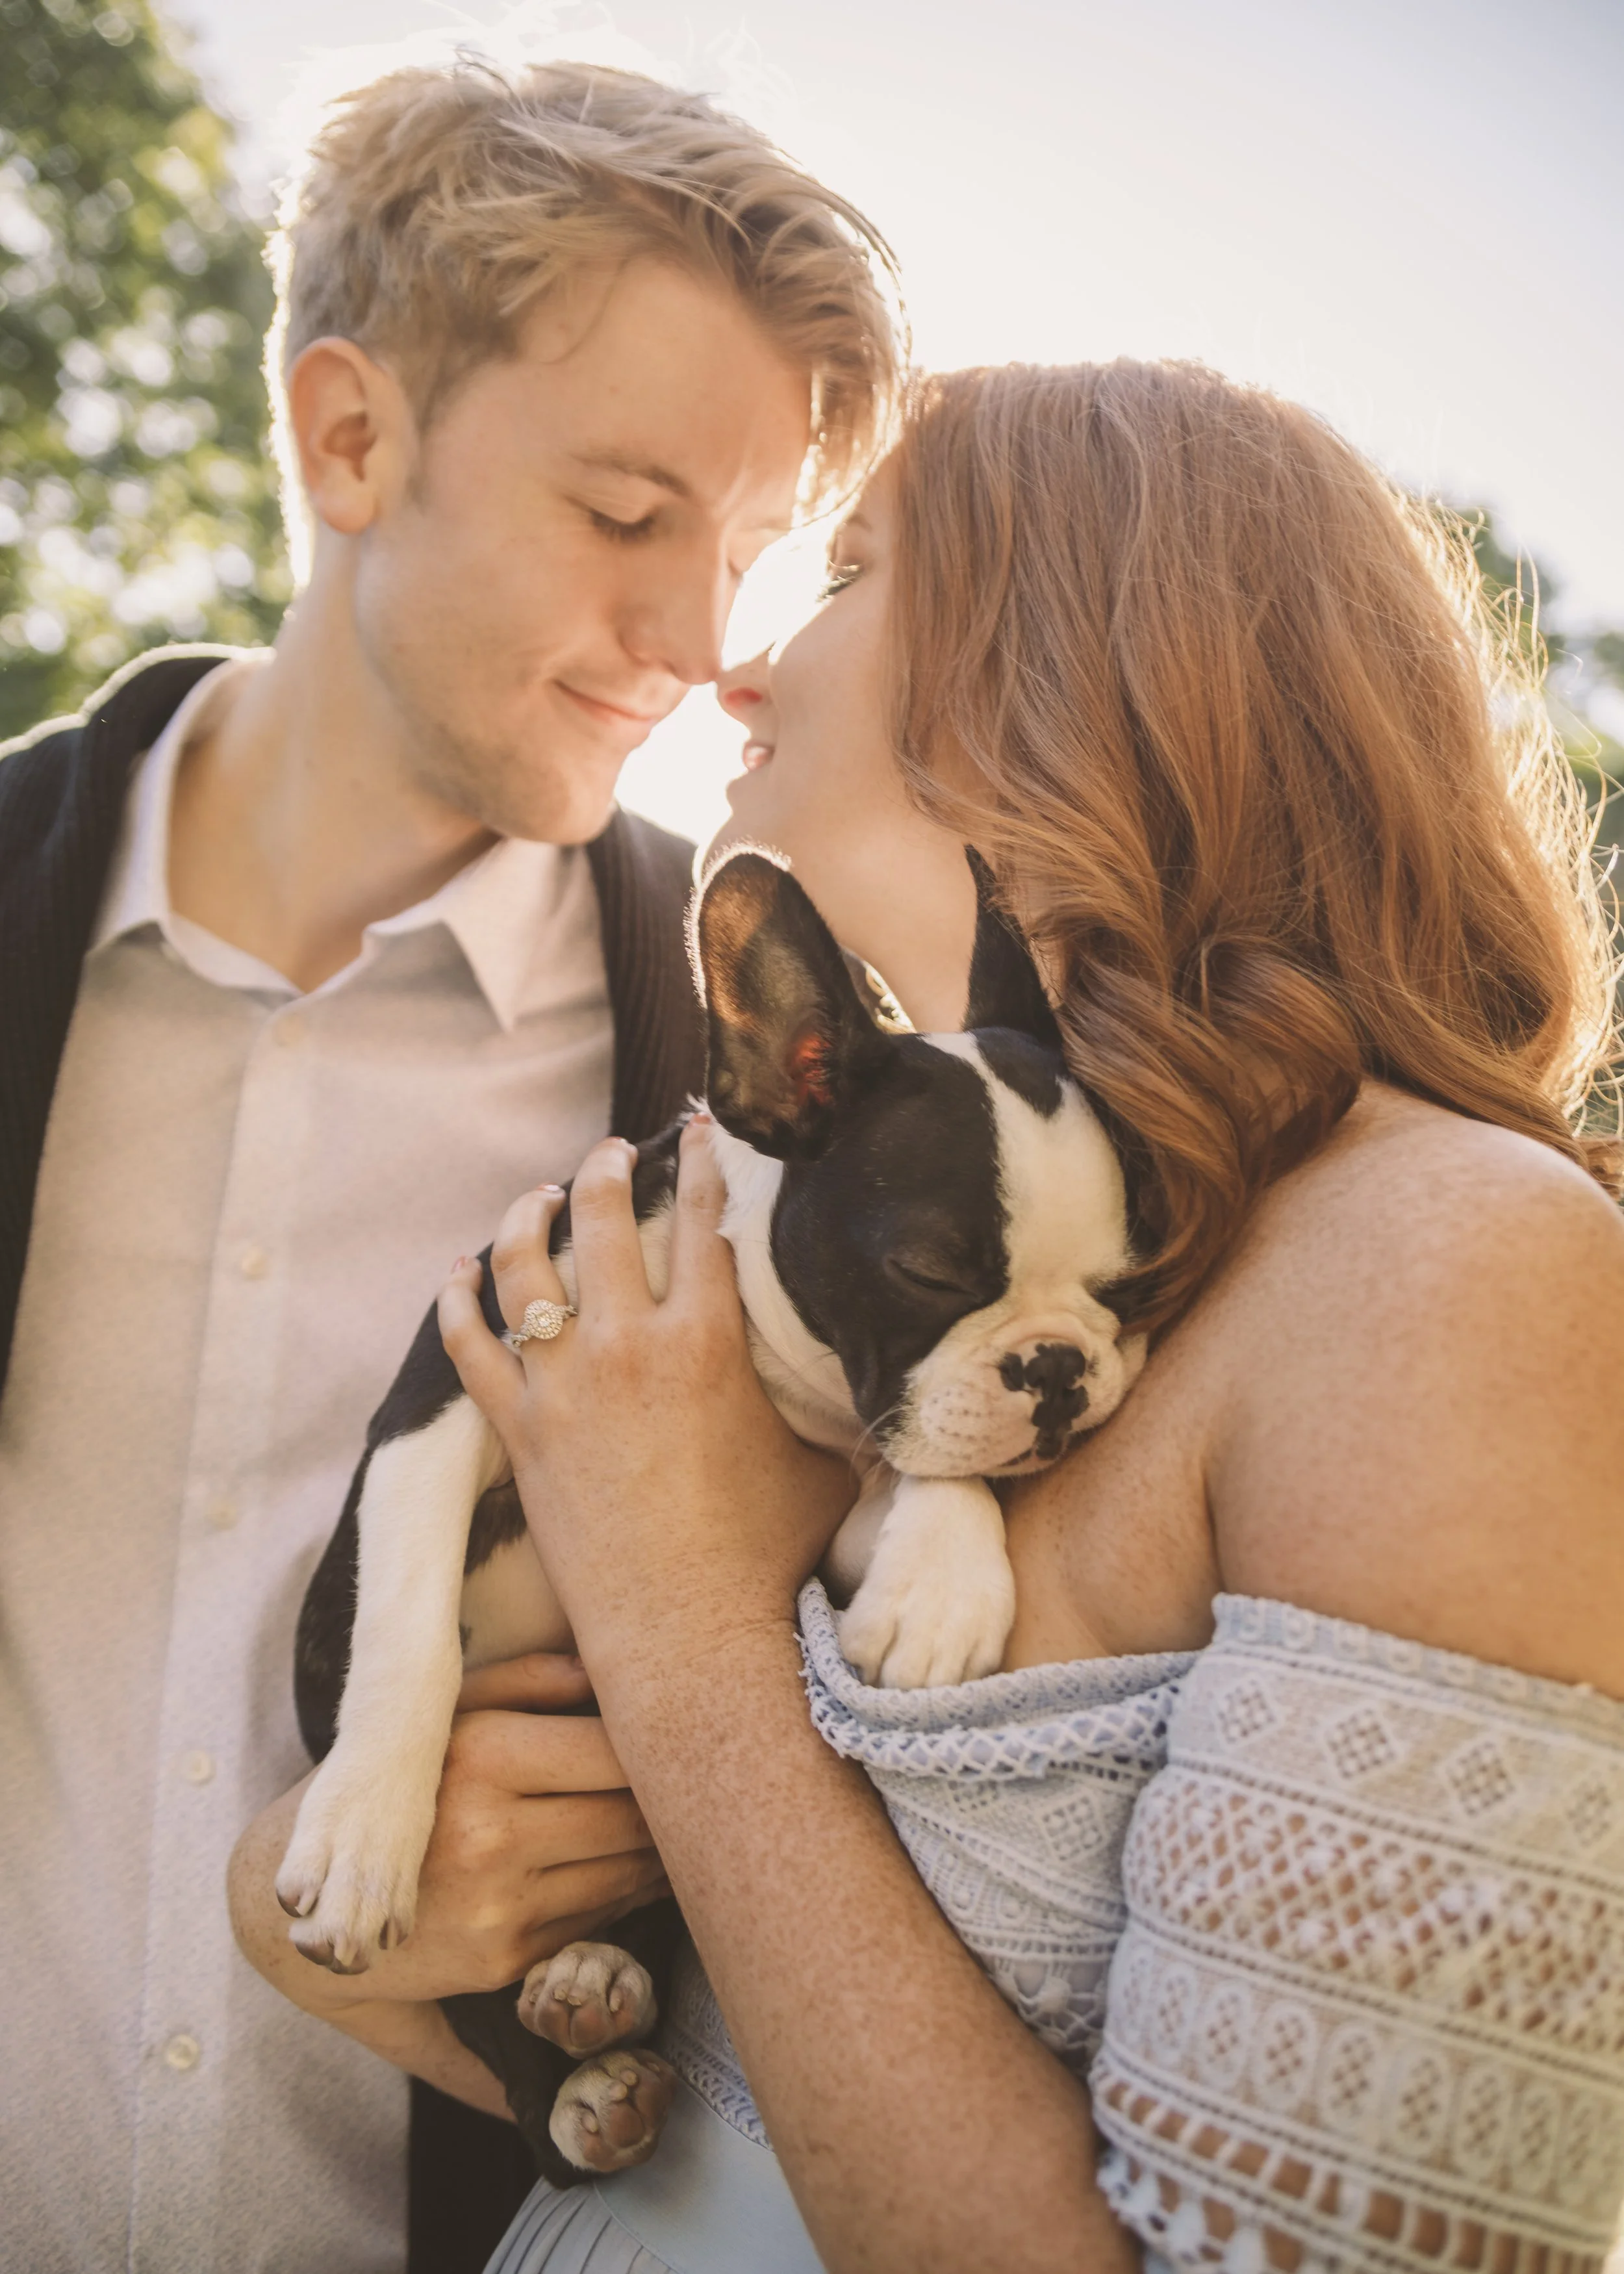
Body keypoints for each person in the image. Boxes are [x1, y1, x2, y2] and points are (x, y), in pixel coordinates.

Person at [235, 357, 1624, 2273]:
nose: (730, 667)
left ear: (1071, 653)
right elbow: (746, 2101)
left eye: (844, 566)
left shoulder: (1452, 1264)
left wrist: (682, 1613)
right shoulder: (850, 1225)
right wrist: (331, 1915)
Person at [0, 53, 900, 2274]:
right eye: (625, 515)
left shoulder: (773, 1075)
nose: (703, 648)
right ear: (347, 437)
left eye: (752, 551)